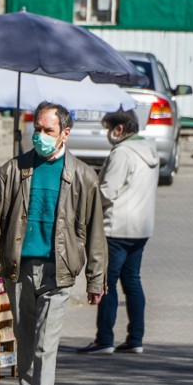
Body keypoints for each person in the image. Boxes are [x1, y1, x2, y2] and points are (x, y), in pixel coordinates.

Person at [0, 102, 106, 385]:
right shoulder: (14, 170)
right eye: (38, 129)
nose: (41, 136)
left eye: (49, 130)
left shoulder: (83, 176)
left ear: (65, 133)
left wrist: (95, 278)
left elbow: (94, 233)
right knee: (27, 345)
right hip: (18, 270)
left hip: (58, 272)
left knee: (46, 345)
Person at [78, 109, 158, 355]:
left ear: (120, 129)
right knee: (132, 280)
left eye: (108, 128)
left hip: (117, 227)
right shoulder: (149, 152)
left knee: (107, 283)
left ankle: (104, 339)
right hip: (141, 228)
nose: (107, 134)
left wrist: (84, 206)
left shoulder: (123, 153)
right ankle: (136, 339)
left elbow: (107, 191)